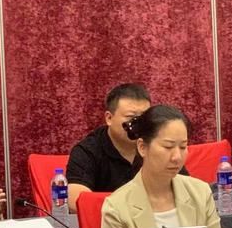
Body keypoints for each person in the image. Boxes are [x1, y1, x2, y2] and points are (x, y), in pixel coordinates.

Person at [101, 105, 223, 228]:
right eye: (168, 147)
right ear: (142, 147)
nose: (177, 157)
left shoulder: (200, 192)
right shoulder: (117, 206)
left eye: (183, 147)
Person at [66, 83, 189, 212]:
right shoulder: (88, 150)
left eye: (144, 118)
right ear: (109, 118)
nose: (138, 124)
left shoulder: (156, 145)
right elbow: (76, 200)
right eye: (131, 117)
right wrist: (132, 209)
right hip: (106, 220)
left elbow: (186, 190)